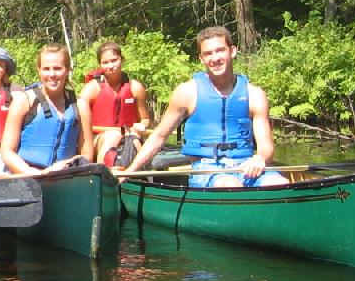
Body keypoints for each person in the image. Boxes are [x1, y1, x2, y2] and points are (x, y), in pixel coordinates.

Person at [122, 26, 286, 187]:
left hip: (245, 165)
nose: (215, 58)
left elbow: (266, 145)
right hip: (206, 168)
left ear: (232, 51)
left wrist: (260, 158)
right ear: (201, 58)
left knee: (279, 183)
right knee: (229, 184)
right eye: (208, 53)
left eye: (220, 50)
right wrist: (129, 172)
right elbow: (158, 137)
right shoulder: (187, 92)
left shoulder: (255, 95)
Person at [0, 44, 93, 175]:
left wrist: (64, 166)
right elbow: (7, 152)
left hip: (65, 176)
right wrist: (34, 174)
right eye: (46, 69)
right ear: (39, 70)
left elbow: (86, 154)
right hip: (27, 176)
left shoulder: (80, 105)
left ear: (67, 70)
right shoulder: (24, 101)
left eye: (57, 68)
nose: (52, 74)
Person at [77, 42, 152, 167]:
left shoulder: (136, 88)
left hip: (128, 135)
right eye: (105, 62)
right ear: (100, 64)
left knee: (135, 140)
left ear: (122, 60)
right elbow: (80, 122)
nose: (110, 66)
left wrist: (141, 126)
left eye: (114, 60)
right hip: (98, 138)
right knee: (113, 136)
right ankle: (101, 176)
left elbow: (144, 119)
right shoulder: (91, 89)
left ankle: (143, 177)